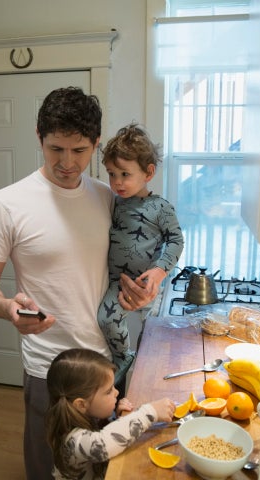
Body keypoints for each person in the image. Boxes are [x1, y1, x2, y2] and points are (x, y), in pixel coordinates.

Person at [0, 87, 159, 480]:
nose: (67, 163)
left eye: (79, 151)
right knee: (48, 468)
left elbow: (128, 268)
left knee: (109, 463)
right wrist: (7, 308)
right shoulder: (7, 203)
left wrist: (141, 293)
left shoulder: (109, 197)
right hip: (49, 368)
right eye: (56, 149)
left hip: (107, 362)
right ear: (39, 136)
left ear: (96, 143)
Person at [97, 124, 184, 386]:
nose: (117, 182)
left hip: (149, 284)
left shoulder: (161, 207)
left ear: (149, 173)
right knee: (106, 318)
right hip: (118, 281)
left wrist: (159, 270)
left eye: (125, 174)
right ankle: (124, 357)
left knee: (155, 340)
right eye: (112, 174)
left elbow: (176, 239)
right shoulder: (112, 203)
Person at [45, 348, 175, 480]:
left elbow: (102, 431)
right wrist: (149, 412)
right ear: (81, 405)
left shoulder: (87, 415)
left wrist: (116, 419)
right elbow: (103, 444)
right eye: (108, 391)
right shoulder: (71, 439)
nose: (117, 392)